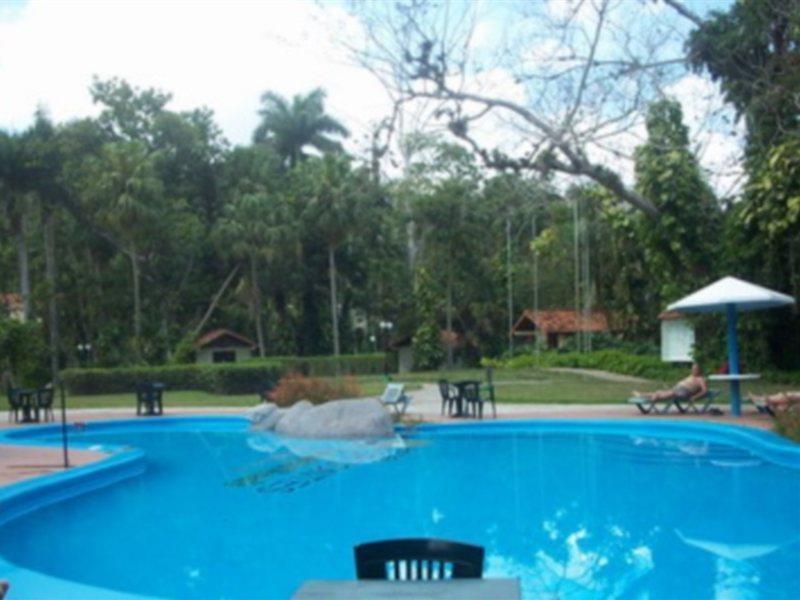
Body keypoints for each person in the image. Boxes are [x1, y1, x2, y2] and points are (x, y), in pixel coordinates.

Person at [633, 363, 708, 403]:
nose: (693, 370)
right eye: (693, 369)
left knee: (671, 393)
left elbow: (704, 391)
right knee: (660, 391)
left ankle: (653, 398)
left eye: (695, 369)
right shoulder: (690, 376)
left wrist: (695, 397)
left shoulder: (701, 379)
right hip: (678, 389)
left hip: (685, 392)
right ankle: (642, 394)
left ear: (699, 370)